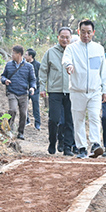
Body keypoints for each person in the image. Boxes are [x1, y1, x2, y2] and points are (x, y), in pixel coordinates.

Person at [62, 19, 106, 159]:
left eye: (89, 32)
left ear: (93, 33)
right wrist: (69, 65)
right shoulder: (72, 48)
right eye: (83, 32)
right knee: (78, 119)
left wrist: (105, 90)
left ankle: (95, 144)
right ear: (78, 32)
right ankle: (81, 147)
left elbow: (103, 71)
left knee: (95, 116)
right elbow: (66, 59)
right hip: (77, 91)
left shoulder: (99, 49)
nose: (86, 35)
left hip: (95, 91)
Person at [40, 27, 75, 156]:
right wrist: (42, 88)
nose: (65, 39)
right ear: (58, 37)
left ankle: (67, 147)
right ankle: (52, 141)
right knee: (54, 119)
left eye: (67, 37)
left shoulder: (74, 51)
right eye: (62, 37)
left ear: (70, 38)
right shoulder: (50, 52)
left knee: (69, 121)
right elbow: (43, 71)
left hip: (72, 91)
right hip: (55, 91)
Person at [1, 45, 36, 140]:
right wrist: (5, 80)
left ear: (19, 54)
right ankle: (8, 130)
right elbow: (3, 76)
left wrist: (32, 88)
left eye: (13, 53)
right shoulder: (9, 65)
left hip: (24, 93)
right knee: (12, 110)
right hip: (12, 92)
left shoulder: (29, 66)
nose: (12, 55)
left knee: (24, 114)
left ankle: (21, 132)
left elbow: (33, 80)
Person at [24, 48, 41, 130]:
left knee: (36, 106)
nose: (24, 56)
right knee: (24, 105)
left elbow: (40, 77)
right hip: (25, 88)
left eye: (26, 54)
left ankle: (37, 124)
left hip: (35, 89)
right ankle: (26, 121)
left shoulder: (38, 65)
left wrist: (35, 86)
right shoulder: (23, 64)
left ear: (31, 56)